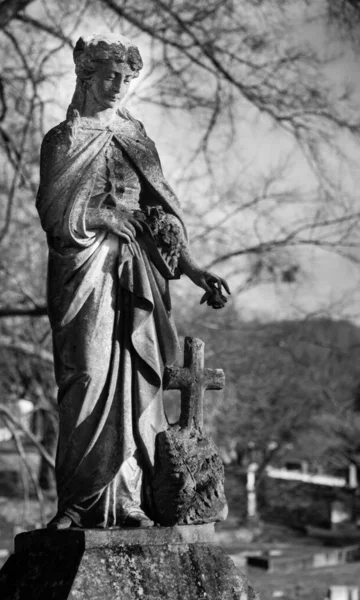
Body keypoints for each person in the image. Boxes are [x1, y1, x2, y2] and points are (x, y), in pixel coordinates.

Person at [36, 33, 229, 529]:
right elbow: (54, 211)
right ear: (86, 77)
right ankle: (79, 502)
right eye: (110, 77)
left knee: (136, 386)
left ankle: (128, 498)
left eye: (127, 79)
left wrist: (191, 267)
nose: (119, 86)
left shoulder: (136, 139)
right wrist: (102, 216)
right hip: (85, 272)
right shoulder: (64, 139)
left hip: (135, 275)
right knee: (87, 377)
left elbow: (162, 215)